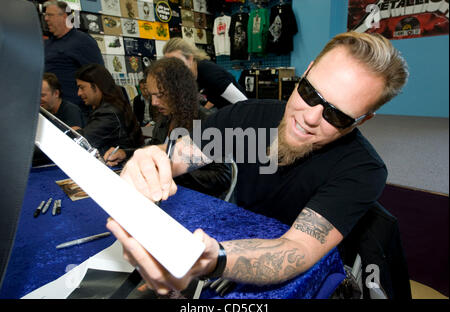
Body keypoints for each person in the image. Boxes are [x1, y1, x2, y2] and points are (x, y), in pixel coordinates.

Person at [106, 31, 409, 294]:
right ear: (308, 70)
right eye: (309, 92)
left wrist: (215, 259)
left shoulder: (363, 169)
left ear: (362, 120)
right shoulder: (248, 117)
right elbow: (176, 156)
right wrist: (152, 159)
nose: (310, 117)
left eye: (337, 116)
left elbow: (297, 248)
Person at [104, 57, 232, 200]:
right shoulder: (165, 118)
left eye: (160, 95)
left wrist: (172, 169)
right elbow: (155, 150)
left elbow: (222, 177)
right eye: (152, 96)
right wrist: (126, 153)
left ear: (180, 92)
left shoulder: (207, 121)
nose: (154, 102)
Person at [43, 1, 104, 122]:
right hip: (51, 113)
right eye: (45, 15)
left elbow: (99, 76)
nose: (46, 19)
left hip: (76, 113)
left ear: (64, 16)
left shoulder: (82, 41)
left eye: (50, 15)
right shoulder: (47, 44)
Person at [74, 64, 144, 156]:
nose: (79, 93)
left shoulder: (108, 113)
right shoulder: (111, 106)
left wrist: (76, 133)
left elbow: (83, 143)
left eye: (82, 87)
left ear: (97, 86)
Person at [163, 37, 247, 110]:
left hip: (235, 114)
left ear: (190, 58)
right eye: (169, 64)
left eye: (178, 62)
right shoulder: (185, 75)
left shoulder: (210, 73)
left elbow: (243, 103)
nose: (174, 67)